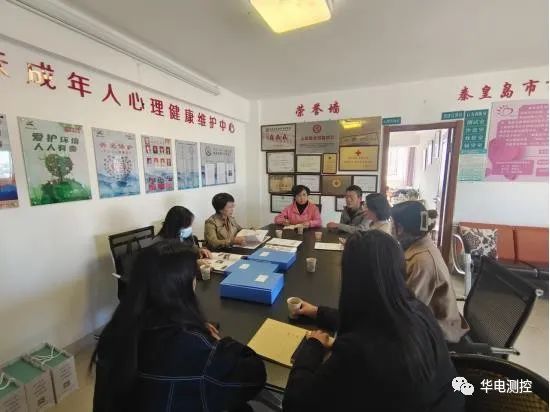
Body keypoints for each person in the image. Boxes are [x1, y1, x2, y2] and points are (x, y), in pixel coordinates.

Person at [283, 231, 464, 412]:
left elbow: (295, 403)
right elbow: (372, 320)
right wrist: (318, 312)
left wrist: (313, 346)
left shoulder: (356, 352)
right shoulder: (418, 311)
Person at [92, 242, 266, 412]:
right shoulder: (199, 350)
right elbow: (255, 377)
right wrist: (221, 343)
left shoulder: (114, 332)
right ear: (184, 285)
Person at [391, 201, 469, 343]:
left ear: (400, 228)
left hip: (436, 333)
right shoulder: (419, 247)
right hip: (426, 321)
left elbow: (406, 309)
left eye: (392, 222)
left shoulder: (422, 261)